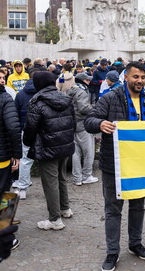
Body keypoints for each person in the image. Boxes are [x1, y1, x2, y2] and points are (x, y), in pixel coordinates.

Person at [85, 62, 145, 271]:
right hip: (113, 164)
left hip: (140, 164)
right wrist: (100, 124)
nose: (140, 81)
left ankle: (135, 244)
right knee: (113, 210)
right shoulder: (111, 97)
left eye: (143, 77)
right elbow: (89, 120)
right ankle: (112, 252)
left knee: (137, 206)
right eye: (136, 77)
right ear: (126, 77)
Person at [23, 71, 75, 230]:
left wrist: (27, 142)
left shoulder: (37, 101)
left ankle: (54, 219)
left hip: (47, 146)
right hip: (65, 144)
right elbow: (74, 122)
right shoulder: (66, 97)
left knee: (50, 182)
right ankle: (65, 208)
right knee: (61, 177)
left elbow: (30, 127)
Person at [0, 70, 21, 259]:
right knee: (6, 197)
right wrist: (16, 154)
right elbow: (13, 127)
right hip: (1, 159)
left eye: (4, 77)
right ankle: (5, 238)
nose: (2, 80)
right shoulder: (4, 98)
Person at [12, 68, 41, 199]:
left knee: (25, 160)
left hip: (25, 130)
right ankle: (52, 189)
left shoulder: (20, 94)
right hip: (43, 131)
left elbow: (15, 115)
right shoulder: (43, 93)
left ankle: (22, 188)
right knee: (48, 160)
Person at [66, 73, 99, 187]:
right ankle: (87, 176)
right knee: (89, 152)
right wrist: (94, 108)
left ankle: (77, 178)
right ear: (82, 81)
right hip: (83, 125)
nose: (89, 81)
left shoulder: (72, 90)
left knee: (76, 153)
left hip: (73, 125)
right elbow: (83, 108)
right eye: (87, 79)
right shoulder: (82, 91)